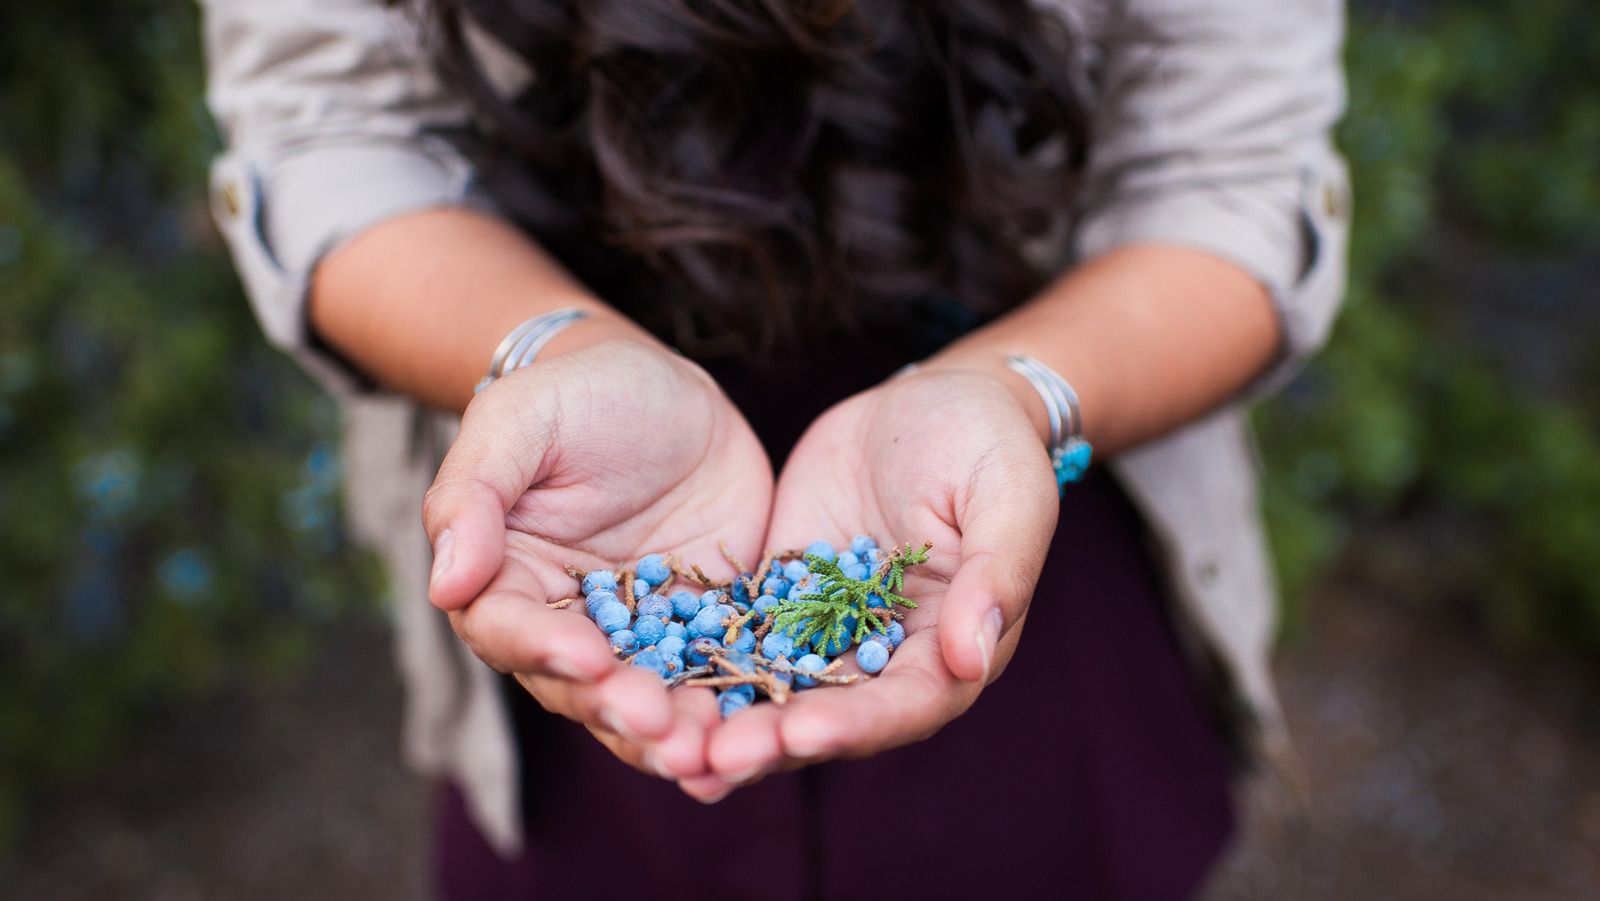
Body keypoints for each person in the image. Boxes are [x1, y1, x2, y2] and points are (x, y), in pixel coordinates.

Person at [200, 0, 1349, 897]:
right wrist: (551, 351)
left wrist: (1014, 394)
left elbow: (1230, 187)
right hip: (588, 500)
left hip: (1021, 496)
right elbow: (329, 136)